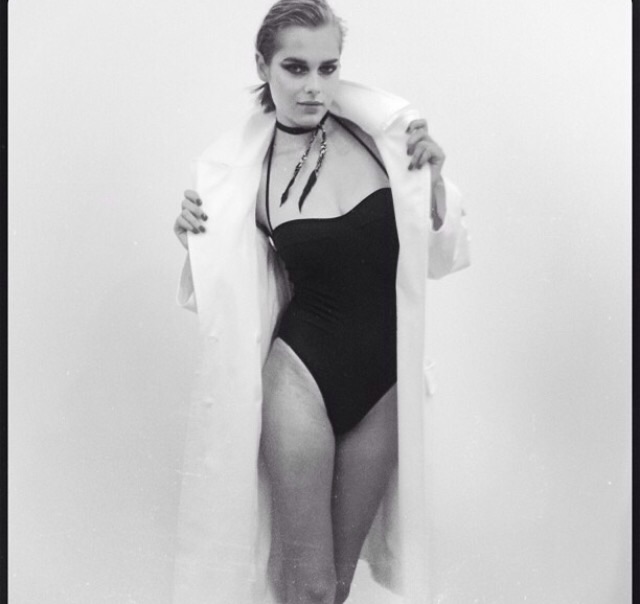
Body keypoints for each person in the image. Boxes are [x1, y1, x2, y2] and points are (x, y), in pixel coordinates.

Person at [172, 1, 470, 603]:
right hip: (300, 379)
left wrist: (433, 183)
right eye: (295, 67)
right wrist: (193, 238)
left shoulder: (385, 145)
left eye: (327, 68)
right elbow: (221, 291)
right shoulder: (241, 176)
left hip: (384, 386)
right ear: (263, 66)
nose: (313, 86)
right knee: (306, 585)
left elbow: (441, 258)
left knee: (334, 586)